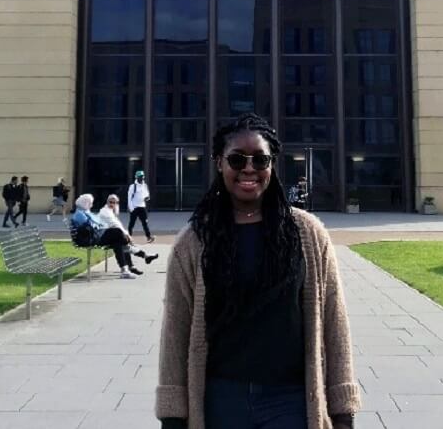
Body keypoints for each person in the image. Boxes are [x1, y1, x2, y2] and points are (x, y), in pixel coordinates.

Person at [156, 113, 360, 429]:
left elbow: (335, 321)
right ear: (219, 163)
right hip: (221, 400)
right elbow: (175, 330)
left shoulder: (307, 232)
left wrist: (342, 410)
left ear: (272, 165)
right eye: (237, 160)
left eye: (260, 159)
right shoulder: (195, 240)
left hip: (291, 400)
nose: (249, 169)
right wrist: (172, 415)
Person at [71, 193, 147, 279]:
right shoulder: (80, 215)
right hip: (89, 239)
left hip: (94, 236)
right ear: (84, 203)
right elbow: (91, 228)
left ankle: (124, 270)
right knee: (117, 233)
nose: (91, 205)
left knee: (118, 242)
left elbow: (96, 224)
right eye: (90, 203)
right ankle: (128, 252)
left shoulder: (84, 212)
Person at [99, 194, 159, 271]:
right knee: (122, 242)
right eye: (110, 202)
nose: (112, 204)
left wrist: (126, 235)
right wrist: (127, 235)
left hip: (112, 236)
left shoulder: (112, 212)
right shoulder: (105, 211)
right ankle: (136, 262)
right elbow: (115, 225)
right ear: (107, 202)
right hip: (105, 237)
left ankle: (131, 266)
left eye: (114, 203)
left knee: (121, 244)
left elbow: (118, 227)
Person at [128, 170, 155, 242]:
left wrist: (147, 198)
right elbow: (129, 198)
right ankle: (129, 239)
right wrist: (131, 208)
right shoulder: (132, 186)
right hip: (134, 208)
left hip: (142, 207)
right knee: (131, 224)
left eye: (143, 177)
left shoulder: (145, 186)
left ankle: (149, 237)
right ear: (137, 177)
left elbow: (147, 195)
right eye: (140, 177)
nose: (142, 178)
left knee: (145, 223)